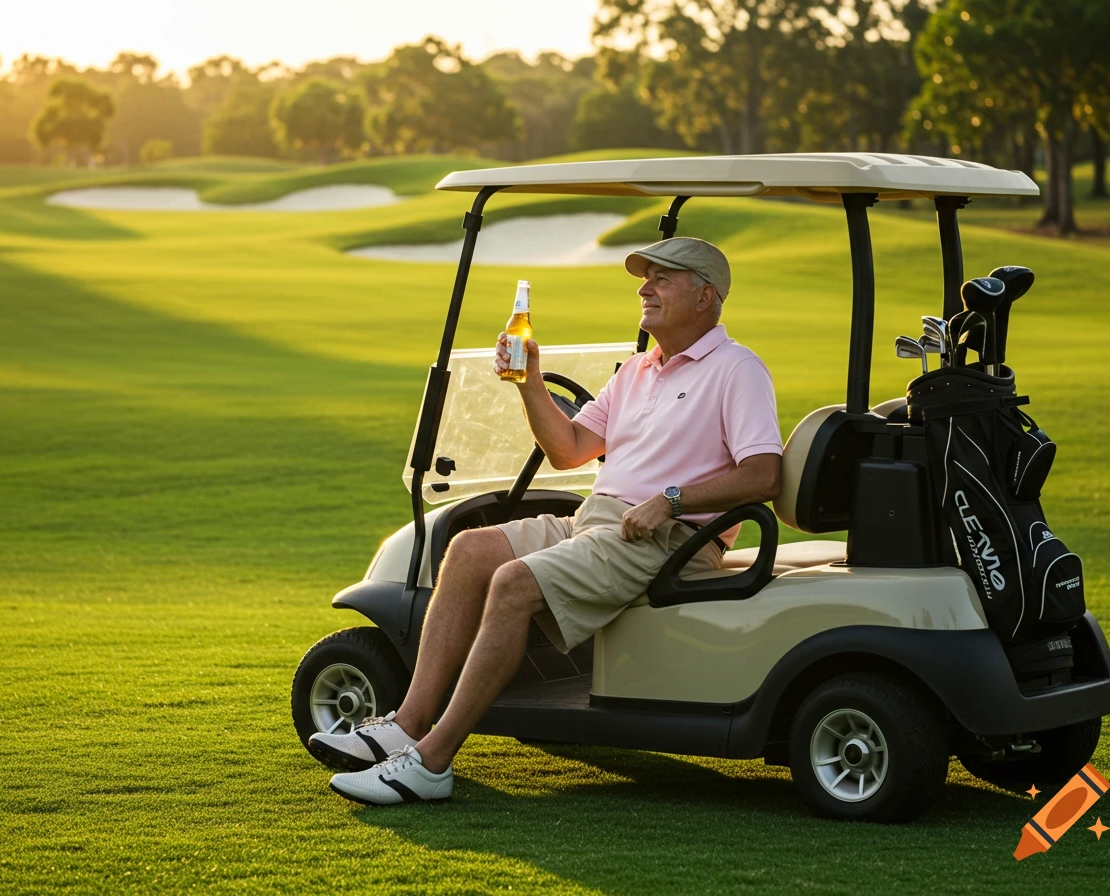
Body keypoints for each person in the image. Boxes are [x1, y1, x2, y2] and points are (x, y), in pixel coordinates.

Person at [312, 237, 783, 805]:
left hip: (671, 535)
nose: (645, 287)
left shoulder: (737, 369)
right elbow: (570, 448)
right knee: (467, 550)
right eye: (645, 277)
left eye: (663, 277)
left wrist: (673, 500)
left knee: (513, 583)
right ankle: (408, 723)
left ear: (705, 296)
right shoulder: (637, 371)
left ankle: (430, 763)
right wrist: (529, 380)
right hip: (600, 519)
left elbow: (764, 474)